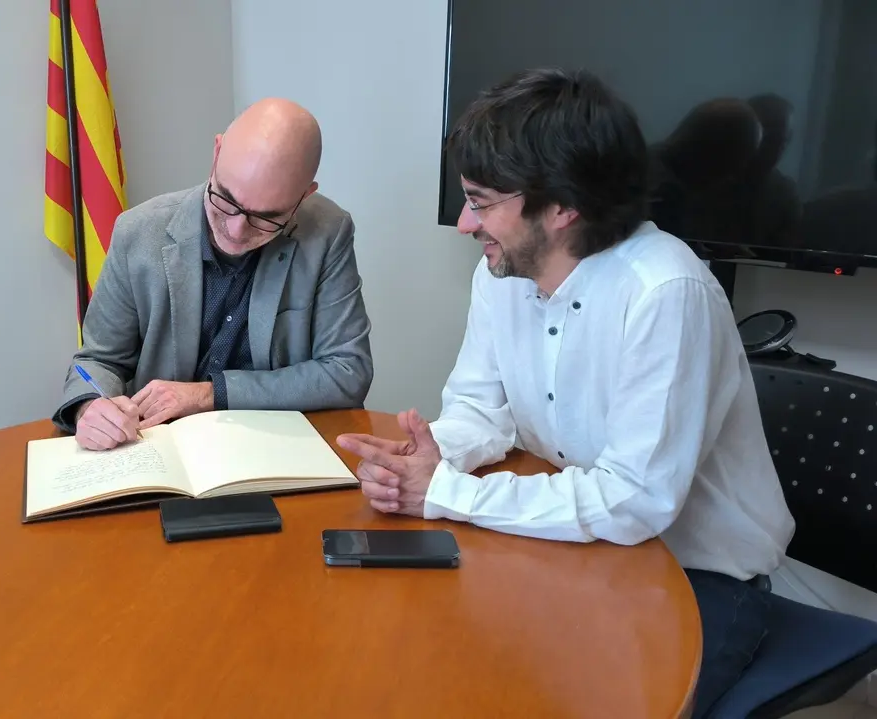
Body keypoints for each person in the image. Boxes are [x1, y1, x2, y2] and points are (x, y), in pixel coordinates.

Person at [335, 68, 795, 718]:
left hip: (701, 576)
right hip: (583, 546)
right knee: (439, 663)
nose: (466, 222)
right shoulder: (501, 273)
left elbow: (635, 500)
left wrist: (445, 492)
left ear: (560, 207)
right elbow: (479, 407)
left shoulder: (665, 293)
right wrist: (435, 459)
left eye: (482, 200)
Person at [53, 98, 373, 450]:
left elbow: (347, 371)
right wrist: (90, 408)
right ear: (217, 153)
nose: (236, 231)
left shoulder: (328, 232)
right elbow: (99, 360)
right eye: (226, 200)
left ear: (304, 195)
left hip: (275, 446)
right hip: (159, 448)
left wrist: (209, 394)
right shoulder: (138, 233)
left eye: (267, 217)